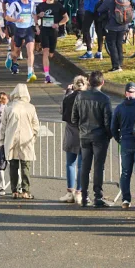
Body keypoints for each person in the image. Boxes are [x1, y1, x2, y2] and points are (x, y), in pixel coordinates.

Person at [71, 70, 113, 207]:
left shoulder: (80, 96)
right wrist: (109, 134)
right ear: (102, 82)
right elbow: (108, 122)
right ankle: (98, 196)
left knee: (84, 166)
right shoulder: (104, 99)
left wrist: (81, 128)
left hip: (84, 134)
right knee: (98, 166)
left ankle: (83, 195)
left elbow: (74, 117)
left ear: (89, 82)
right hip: (100, 136)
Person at [111, 81, 135, 209]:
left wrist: (119, 139)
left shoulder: (120, 108)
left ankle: (125, 199)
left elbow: (113, 127)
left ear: (126, 93)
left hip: (125, 142)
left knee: (125, 172)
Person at [2, 82, 39, 199]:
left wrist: (2, 141)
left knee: (13, 165)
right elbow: (36, 125)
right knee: (25, 165)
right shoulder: (31, 107)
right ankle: (25, 190)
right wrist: (33, 136)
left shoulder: (8, 107)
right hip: (26, 139)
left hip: (11, 139)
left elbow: (3, 126)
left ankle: (14, 190)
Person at [60, 75, 87, 203]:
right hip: (84, 134)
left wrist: (68, 92)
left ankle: (70, 192)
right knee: (82, 165)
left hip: (71, 133)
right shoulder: (88, 99)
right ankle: (79, 192)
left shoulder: (68, 98)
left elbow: (62, 112)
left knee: (70, 163)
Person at [96, 0, 130, 73]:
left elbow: (100, 10)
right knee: (119, 44)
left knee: (112, 44)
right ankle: (120, 63)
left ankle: (116, 66)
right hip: (124, 25)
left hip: (113, 26)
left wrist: (101, 0)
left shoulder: (109, 0)